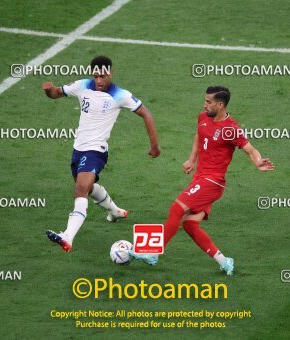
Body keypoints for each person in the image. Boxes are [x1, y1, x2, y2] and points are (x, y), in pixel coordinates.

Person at [131, 86, 274, 275]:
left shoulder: (231, 129)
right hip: (200, 178)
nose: (204, 105)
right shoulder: (203, 117)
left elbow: (250, 149)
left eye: (209, 102)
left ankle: (154, 251)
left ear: (220, 104)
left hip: (213, 182)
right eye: (205, 100)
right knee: (190, 224)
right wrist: (192, 159)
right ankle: (224, 260)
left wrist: (258, 162)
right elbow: (199, 135)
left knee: (176, 209)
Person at [43, 56, 160, 252]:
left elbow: (146, 114)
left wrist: (154, 145)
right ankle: (114, 211)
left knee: (80, 189)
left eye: (103, 76)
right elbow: (56, 93)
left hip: (96, 151)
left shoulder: (120, 94)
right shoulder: (82, 85)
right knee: (87, 189)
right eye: (96, 75)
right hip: (78, 150)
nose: (99, 80)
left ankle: (67, 236)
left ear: (110, 74)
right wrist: (49, 90)